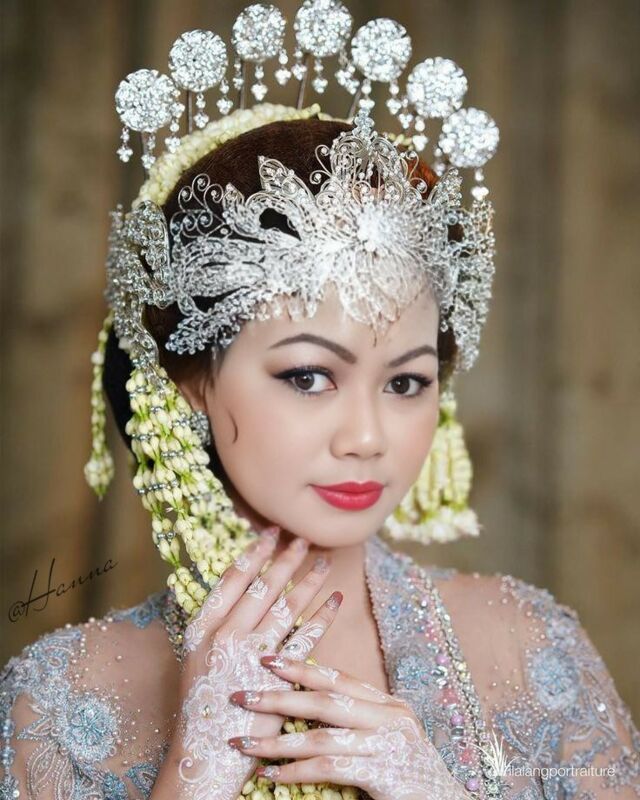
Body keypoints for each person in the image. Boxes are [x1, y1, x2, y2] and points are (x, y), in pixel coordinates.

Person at [1, 5, 638, 799]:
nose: (367, 437)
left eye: (405, 382)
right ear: (190, 381)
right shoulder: (63, 700)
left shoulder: (528, 648)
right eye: (308, 376)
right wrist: (194, 775)